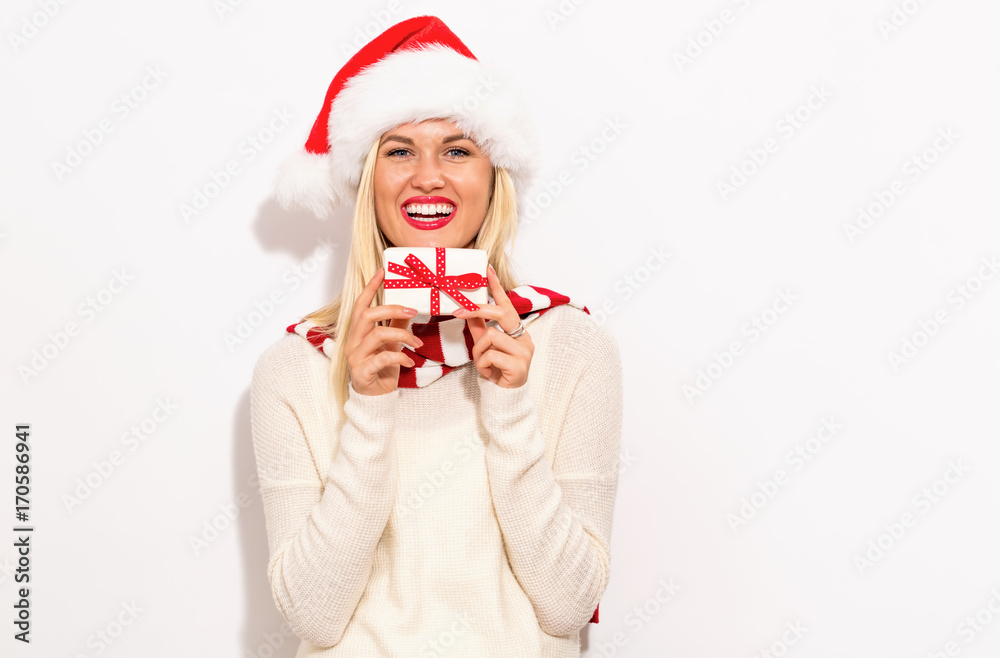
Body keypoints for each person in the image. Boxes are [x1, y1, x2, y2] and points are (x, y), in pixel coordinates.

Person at [249, 15, 623, 657]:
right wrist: (368, 407)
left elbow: (568, 605)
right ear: (369, 183)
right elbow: (313, 618)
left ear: (492, 178)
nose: (428, 176)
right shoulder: (297, 367)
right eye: (399, 150)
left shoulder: (572, 347)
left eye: (457, 150)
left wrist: (509, 405)